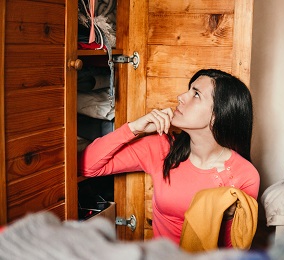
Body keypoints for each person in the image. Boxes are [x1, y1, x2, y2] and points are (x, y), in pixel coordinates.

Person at [78, 69, 260, 247]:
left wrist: (227, 217)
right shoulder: (162, 148)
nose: (181, 96)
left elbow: (234, 248)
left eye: (196, 94)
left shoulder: (245, 175)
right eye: (189, 89)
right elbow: (87, 166)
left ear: (218, 115)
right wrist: (134, 128)